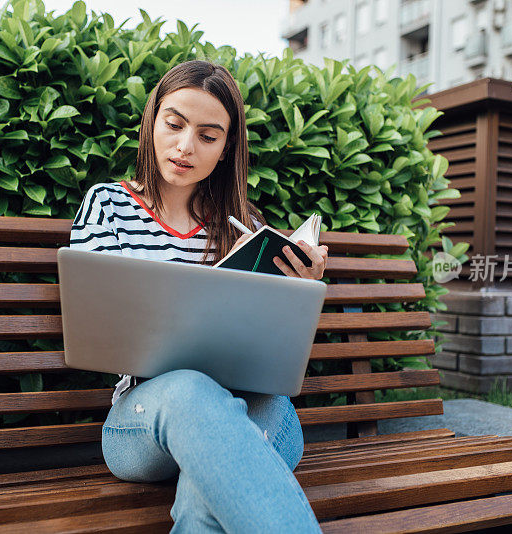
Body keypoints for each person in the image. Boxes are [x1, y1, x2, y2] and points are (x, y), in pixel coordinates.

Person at [69, 60, 329, 532]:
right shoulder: (106, 205)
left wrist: (301, 290)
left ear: (227, 148)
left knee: (204, 485)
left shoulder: (245, 226)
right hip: (146, 418)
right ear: (152, 122)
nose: (185, 146)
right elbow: (97, 328)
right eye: (174, 124)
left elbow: (274, 349)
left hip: (257, 408)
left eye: (208, 137)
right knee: (192, 391)